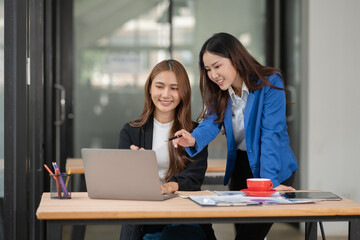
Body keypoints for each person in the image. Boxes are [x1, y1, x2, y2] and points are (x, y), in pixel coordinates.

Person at [172, 32, 299, 240]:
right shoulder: (221, 91)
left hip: (272, 168)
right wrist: (193, 139)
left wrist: (270, 183)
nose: (213, 75)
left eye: (217, 66)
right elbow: (212, 121)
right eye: (208, 69)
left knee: (248, 236)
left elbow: (271, 136)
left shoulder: (269, 82)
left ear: (235, 58)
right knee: (244, 232)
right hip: (241, 168)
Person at [118, 59, 216, 240]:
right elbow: (122, 182)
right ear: (149, 89)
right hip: (145, 213)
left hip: (184, 213)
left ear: (184, 92)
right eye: (160, 86)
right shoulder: (130, 131)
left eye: (174, 88)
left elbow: (194, 178)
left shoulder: (195, 133)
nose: (166, 94)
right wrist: (134, 166)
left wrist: (167, 187)